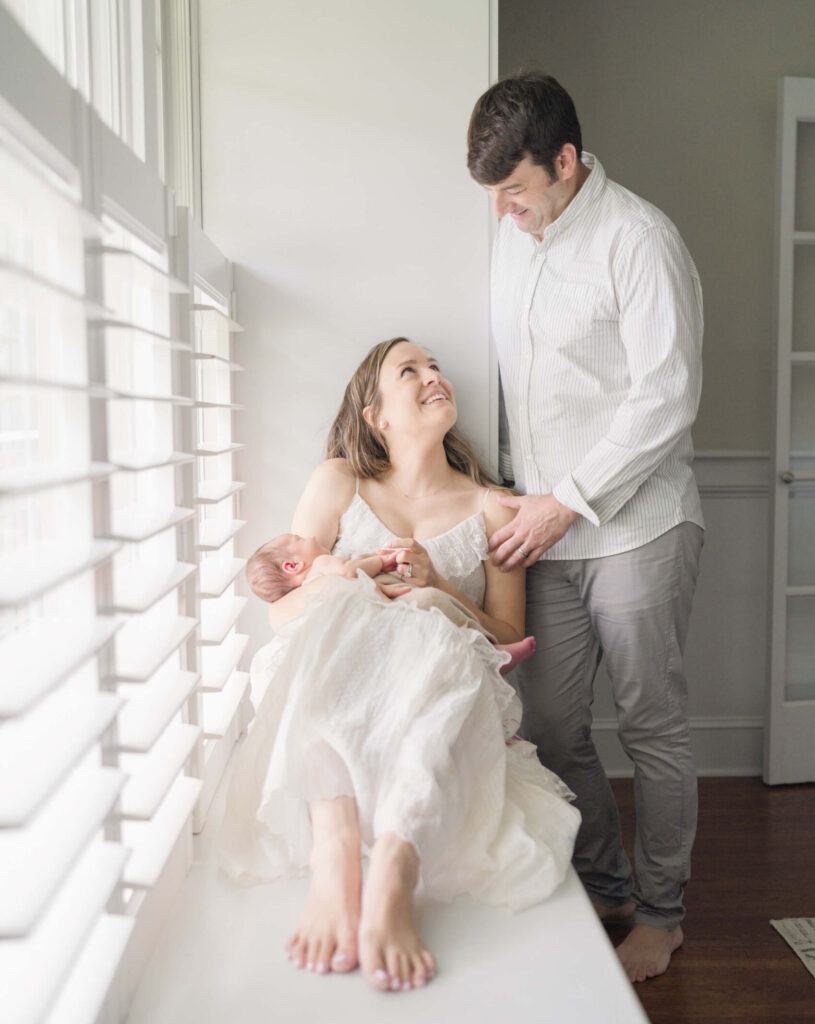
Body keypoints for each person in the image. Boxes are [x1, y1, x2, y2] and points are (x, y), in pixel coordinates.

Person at [219, 337, 580, 994]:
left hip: (436, 678)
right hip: (342, 674)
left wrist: (435, 584)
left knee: (434, 648)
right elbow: (281, 615)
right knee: (325, 642)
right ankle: (335, 855)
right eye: (408, 370)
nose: (432, 375)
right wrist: (356, 582)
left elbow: (507, 637)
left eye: (435, 366)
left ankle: (394, 863)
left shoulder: (492, 508)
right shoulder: (338, 482)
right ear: (374, 413)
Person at [467, 72, 705, 984]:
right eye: (494, 197)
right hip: (544, 531)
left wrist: (564, 498)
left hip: (637, 524)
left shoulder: (637, 239)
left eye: (517, 192)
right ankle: (604, 881)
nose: (505, 214)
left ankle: (661, 913)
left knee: (652, 724)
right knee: (554, 724)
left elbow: (667, 397)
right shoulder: (513, 240)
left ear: (564, 162)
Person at [244, 531, 537, 672]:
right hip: (383, 615)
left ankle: (487, 652)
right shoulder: (321, 564)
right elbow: (348, 573)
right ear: (293, 566)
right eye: (298, 539)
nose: (308, 535)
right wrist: (379, 561)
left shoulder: (309, 585)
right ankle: (489, 649)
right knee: (433, 601)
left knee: (434, 612)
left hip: (375, 628)